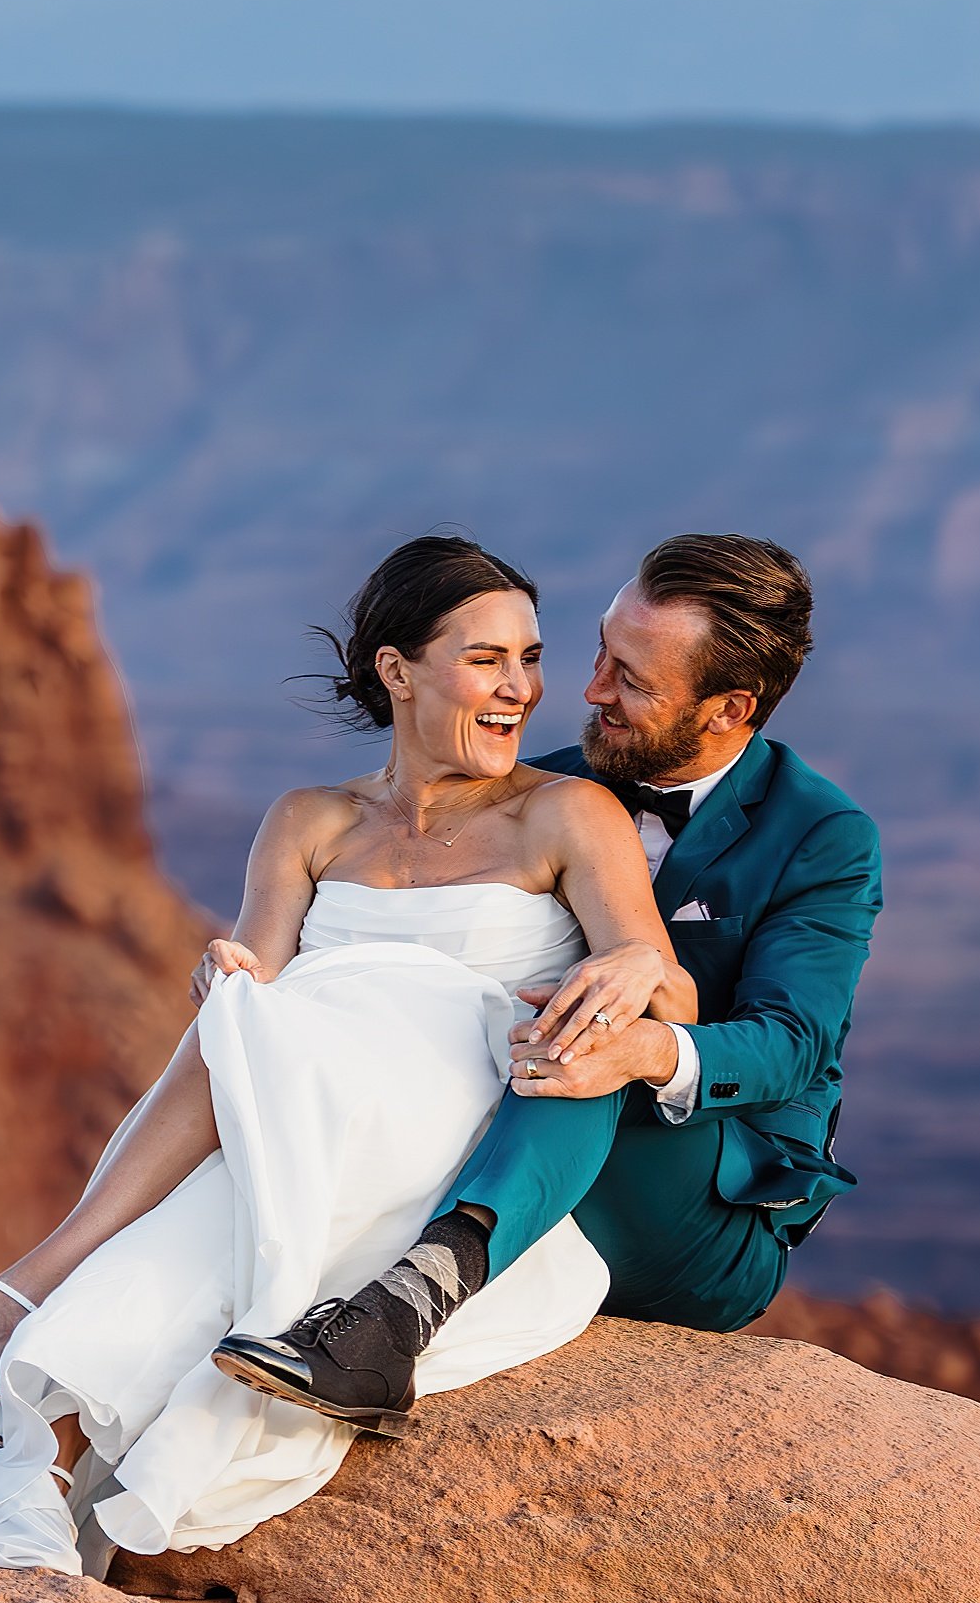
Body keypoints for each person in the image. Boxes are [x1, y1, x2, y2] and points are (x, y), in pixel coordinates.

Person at [0, 533, 697, 1569]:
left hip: (453, 1109)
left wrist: (634, 972)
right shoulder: (309, 821)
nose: (519, 689)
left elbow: (670, 989)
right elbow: (258, 976)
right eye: (484, 660)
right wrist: (227, 977)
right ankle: (17, 1488)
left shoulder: (565, 813)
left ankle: (10, 1306)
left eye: (529, 660)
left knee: (251, 1061)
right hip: (313, 1118)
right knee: (223, 1099)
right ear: (397, 671)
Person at [219, 532, 883, 1432]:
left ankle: (408, 1308)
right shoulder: (533, 790)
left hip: (688, 1200)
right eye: (601, 650)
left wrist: (647, 1048)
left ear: (729, 709)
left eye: (632, 679)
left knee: (586, 1036)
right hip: (497, 1135)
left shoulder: (821, 835)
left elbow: (792, 1047)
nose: (589, 690)